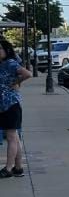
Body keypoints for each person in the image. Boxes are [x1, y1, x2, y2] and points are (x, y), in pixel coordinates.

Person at [0, 38, 32, 178]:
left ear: (6, 50)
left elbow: (27, 74)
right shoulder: (2, 64)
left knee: (11, 136)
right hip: (5, 105)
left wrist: (16, 82)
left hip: (11, 104)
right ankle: (18, 167)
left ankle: (8, 168)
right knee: (14, 136)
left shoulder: (10, 63)